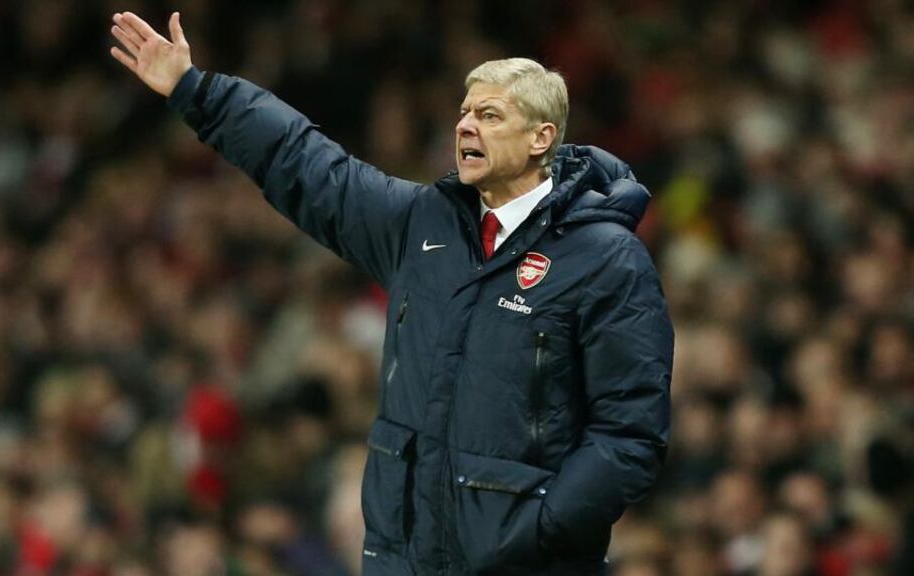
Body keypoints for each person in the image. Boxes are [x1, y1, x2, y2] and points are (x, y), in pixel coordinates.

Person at [109, 11, 673, 576]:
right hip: (403, 560)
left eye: (489, 115)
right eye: (464, 113)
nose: (465, 127)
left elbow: (629, 433)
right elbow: (307, 164)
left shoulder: (605, 259)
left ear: (540, 138)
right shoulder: (422, 224)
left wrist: (541, 533)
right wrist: (197, 90)